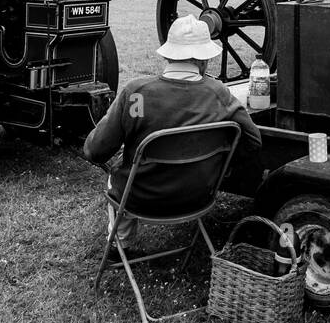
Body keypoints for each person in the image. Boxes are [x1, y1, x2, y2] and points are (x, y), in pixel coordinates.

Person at [83, 15, 263, 252]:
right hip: (199, 194)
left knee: (117, 174)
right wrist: (222, 164)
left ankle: (121, 246)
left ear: (168, 54)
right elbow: (253, 141)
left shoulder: (136, 93)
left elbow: (95, 150)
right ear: (204, 60)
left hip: (141, 196)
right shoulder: (219, 94)